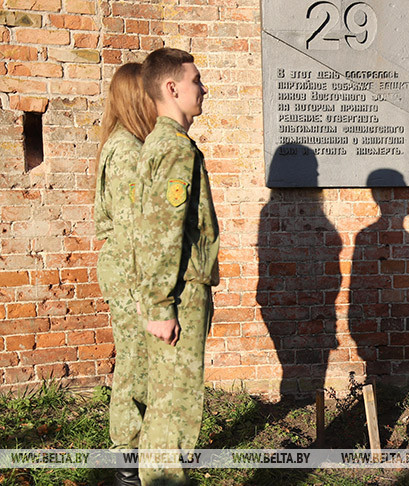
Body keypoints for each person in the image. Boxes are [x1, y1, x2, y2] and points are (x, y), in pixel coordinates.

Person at [134, 47, 219, 486]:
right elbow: (161, 234)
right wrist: (162, 306)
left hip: (173, 292)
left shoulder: (157, 143)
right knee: (177, 410)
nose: (202, 88)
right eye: (196, 80)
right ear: (172, 88)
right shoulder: (176, 150)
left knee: (163, 405)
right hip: (180, 294)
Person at [94, 62, 157, 486]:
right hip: (130, 271)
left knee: (139, 363)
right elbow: (136, 226)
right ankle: (126, 461)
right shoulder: (128, 151)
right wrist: (146, 287)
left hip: (127, 267)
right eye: (150, 95)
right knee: (135, 365)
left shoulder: (126, 144)